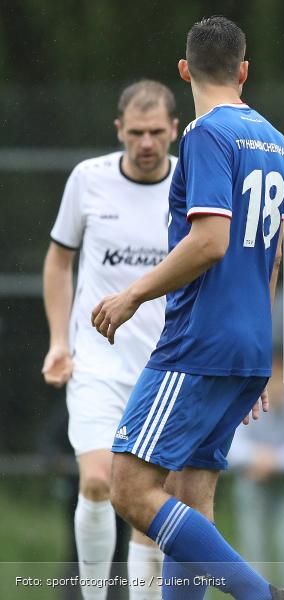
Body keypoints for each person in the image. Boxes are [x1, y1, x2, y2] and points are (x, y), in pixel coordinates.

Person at [90, 16, 284, 600]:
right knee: (191, 494)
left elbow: (211, 241)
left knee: (130, 488)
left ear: (184, 70)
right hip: (248, 342)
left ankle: (261, 596)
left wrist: (133, 294)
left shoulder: (207, 134)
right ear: (244, 71)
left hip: (199, 341)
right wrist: (255, 347)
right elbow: (274, 254)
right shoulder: (275, 140)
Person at [42, 79, 178, 600]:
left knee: (146, 506)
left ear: (173, 130)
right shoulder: (88, 179)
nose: (146, 143)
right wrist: (60, 341)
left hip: (162, 369)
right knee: (97, 481)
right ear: (120, 130)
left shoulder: (190, 186)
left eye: (156, 132)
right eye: (136, 132)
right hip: (97, 363)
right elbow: (59, 259)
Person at [228, 355, 284, 594]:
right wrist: (258, 457)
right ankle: (256, 597)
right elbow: (232, 447)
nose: (280, 389)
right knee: (253, 545)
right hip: (252, 479)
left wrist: (274, 461)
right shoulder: (248, 393)